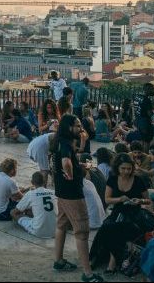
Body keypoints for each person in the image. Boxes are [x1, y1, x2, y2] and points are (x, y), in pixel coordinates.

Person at [51, 114, 102, 282]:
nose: (80, 128)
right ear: (68, 127)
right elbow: (66, 163)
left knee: (62, 224)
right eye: (77, 126)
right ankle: (87, 273)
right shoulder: (65, 144)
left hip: (61, 191)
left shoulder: (60, 141)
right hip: (72, 193)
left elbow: (66, 161)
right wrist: (72, 174)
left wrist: (77, 165)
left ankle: (58, 261)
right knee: (81, 231)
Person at [97, 153, 151, 274]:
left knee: (117, 229)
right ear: (117, 168)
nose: (126, 171)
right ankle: (111, 258)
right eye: (123, 168)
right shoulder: (112, 179)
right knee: (107, 227)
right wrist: (120, 199)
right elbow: (107, 199)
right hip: (118, 211)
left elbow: (148, 200)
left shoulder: (138, 180)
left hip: (135, 213)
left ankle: (112, 262)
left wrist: (140, 201)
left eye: (129, 168)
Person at [12, 172, 56, 239]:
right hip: (56, 230)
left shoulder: (30, 194)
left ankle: (30, 224)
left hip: (38, 231)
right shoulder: (53, 192)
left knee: (13, 213)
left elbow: (16, 211)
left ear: (32, 182)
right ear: (44, 182)